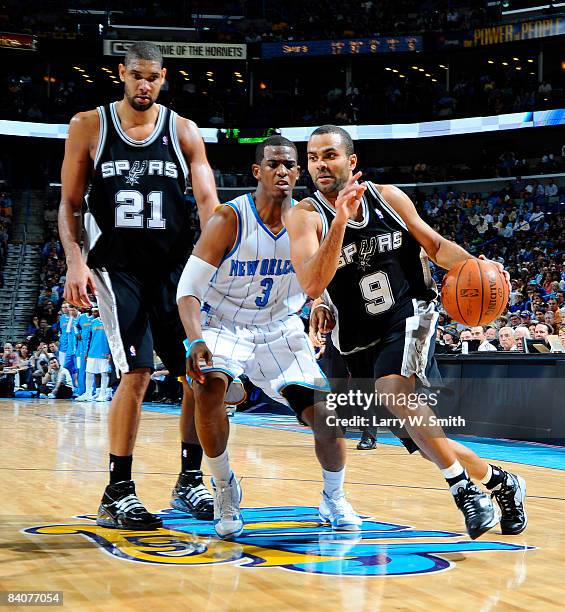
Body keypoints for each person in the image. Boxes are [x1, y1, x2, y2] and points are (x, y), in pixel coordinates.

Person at [286, 125, 526, 539]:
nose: (320, 165)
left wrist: (479, 268)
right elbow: (311, 283)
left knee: (394, 392)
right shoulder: (306, 216)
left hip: (412, 313)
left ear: (351, 161)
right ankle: (501, 482)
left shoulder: (388, 198)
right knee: (423, 436)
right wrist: (339, 225)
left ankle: (463, 490)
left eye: (329, 155)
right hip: (358, 336)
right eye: (312, 158)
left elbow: (435, 246)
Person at [58, 41, 219, 530]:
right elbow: (70, 204)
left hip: (173, 268)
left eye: (152, 76)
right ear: (122, 74)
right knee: (137, 372)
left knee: (197, 371)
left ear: (163, 76)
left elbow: (209, 202)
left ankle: (190, 480)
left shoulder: (185, 131)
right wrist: (74, 262)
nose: (144, 84)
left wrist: (213, 266)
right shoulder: (89, 125)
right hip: (115, 266)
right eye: (136, 76)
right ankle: (117, 490)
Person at [176, 136, 361, 539]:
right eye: (273, 164)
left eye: (290, 165)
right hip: (223, 322)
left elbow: (318, 272)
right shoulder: (229, 219)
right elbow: (187, 291)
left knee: (326, 416)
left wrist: (321, 301)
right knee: (209, 389)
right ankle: (225, 488)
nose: (283, 171)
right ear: (257, 171)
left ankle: (334, 497)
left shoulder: (309, 216)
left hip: (280, 326)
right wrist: (195, 340)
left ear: (298, 172)